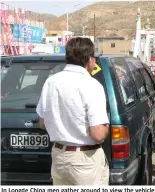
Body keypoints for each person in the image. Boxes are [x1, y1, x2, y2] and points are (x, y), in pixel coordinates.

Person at [36, 37, 110, 185]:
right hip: (85, 160)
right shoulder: (92, 85)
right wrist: (105, 127)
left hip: (59, 157)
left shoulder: (51, 82)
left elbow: (42, 123)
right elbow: (98, 134)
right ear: (90, 60)